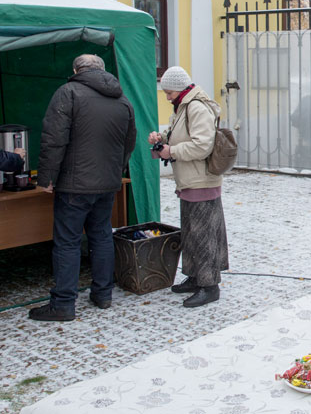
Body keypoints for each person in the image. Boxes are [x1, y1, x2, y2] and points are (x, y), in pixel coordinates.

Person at [30, 54, 137, 321]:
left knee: (67, 242)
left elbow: (54, 139)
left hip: (74, 185)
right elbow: (129, 142)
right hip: (107, 184)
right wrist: (115, 170)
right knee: (101, 236)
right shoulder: (122, 99)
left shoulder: (68, 92)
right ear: (101, 70)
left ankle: (63, 304)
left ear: (77, 69)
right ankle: (103, 294)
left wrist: (45, 178)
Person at [149, 66, 229, 308]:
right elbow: (181, 134)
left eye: (169, 92)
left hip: (201, 181)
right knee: (191, 234)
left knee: (203, 236)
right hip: (190, 181)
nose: (167, 97)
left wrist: (171, 151)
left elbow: (202, 146)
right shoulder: (183, 106)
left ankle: (209, 286)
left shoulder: (196, 107)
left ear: (181, 88)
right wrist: (162, 138)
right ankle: (195, 277)